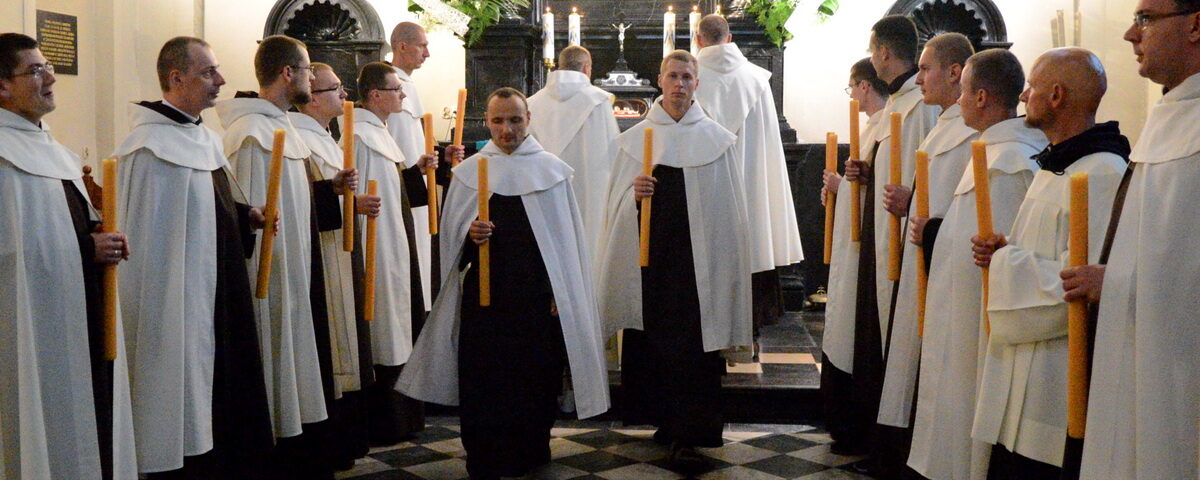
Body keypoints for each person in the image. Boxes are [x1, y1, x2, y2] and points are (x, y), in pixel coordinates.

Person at [398, 87, 609, 480]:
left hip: (535, 297)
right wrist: (469, 234)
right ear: (487, 122)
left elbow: (565, 242)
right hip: (485, 297)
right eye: (498, 121)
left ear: (528, 119)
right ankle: (483, 452)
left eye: (514, 120)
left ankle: (531, 448)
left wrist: (559, 292)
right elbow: (450, 242)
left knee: (534, 377)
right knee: (484, 377)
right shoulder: (470, 172)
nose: (507, 129)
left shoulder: (551, 171)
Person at [114, 36, 275, 479]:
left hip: (219, 289)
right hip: (176, 298)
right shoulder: (147, 147)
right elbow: (149, 240)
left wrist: (246, 217)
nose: (220, 80)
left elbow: (210, 208)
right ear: (176, 78)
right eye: (208, 72)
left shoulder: (204, 138)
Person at [968, 47, 1127, 480]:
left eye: (1032, 87)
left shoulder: (1102, 171)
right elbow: (1044, 253)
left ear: (1056, 95)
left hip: (1055, 376)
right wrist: (1004, 250)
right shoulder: (1058, 163)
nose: (1023, 96)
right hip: (1024, 363)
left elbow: (1078, 283)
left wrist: (1005, 263)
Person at [597, 50, 752, 470]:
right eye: (673, 76)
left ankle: (692, 429)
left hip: (700, 268)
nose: (679, 84)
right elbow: (614, 207)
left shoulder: (717, 140)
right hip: (652, 265)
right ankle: (666, 422)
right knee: (656, 344)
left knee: (693, 348)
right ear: (660, 80)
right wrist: (634, 196)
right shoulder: (635, 141)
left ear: (696, 84)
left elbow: (730, 213)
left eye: (687, 77)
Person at [215, 34, 355, 479]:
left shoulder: (281, 126)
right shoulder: (251, 135)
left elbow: (291, 201)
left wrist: (327, 191)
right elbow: (251, 211)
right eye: (308, 69)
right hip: (272, 279)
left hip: (298, 270)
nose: (312, 78)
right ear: (287, 73)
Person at [0, 31, 138, 480]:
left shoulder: (52, 151)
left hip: (77, 310)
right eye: (36, 70)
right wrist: (85, 248)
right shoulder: (4, 158)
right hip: (32, 323)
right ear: (3, 86)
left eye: (49, 67)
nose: (50, 78)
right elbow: (12, 252)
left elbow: (61, 226)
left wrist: (100, 237)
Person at [1072, 1, 1200, 477]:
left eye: (1145, 19)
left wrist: (1120, 282)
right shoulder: (1173, 113)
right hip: (1141, 349)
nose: (1130, 33)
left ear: (1195, 25)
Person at [913, 48, 1047, 480]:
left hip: (978, 321)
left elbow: (999, 249)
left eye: (964, 91)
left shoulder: (1009, 161)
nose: (960, 100)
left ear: (982, 97)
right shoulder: (993, 151)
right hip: (958, 309)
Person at [873, 32, 978, 478]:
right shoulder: (945, 124)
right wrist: (911, 200)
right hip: (924, 257)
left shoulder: (972, 131)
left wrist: (925, 215)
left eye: (925, 69)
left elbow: (968, 205)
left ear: (955, 73)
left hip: (945, 267)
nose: (917, 78)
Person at [839, 14, 940, 460]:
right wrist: (866, 170)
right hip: (878, 235)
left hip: (900, 239)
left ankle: (886, 443)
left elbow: (930, 173)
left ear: (882, 52)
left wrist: (912, 198)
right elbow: (890, 164)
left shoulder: (921, 105)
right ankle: (870, 435)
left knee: (891, 333)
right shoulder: (898, 103)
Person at [349, 61, 448, 445]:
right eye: (396, 89)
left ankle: (405, 417)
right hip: (377, 247)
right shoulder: (359, 136)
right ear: (376, 95)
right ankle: (386, 421)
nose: (403, 95)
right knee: (385, 329)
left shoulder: (378, 132)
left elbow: (392, 190)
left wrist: (415, 171)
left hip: (393, 241)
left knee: (399, 325)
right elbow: (356, 196)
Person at [289, 62, 382, 465]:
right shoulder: (299, 139)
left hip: (341, 253)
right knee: (335, 344)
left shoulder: (326, 137)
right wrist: (346, 202)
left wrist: (351, 203)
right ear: (312, 97)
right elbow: (303, 200)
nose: (345, 96)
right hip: (324, 257)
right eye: (335, 89)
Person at [694, 14, 804, 330]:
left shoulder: (689, 78)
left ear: (699, 39)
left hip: (708, 191)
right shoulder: (756, 78)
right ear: (729, 39)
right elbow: (766, 144)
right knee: (752, 237)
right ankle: (751, 327)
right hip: (751, 188)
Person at [820, 57, 889, 455]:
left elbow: (874, 189)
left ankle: (853, 423)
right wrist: (840, 188)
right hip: (856, 246)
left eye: (852, 88)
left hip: (867, 248)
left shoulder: (887, 125)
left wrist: (841, 186)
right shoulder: (874, 127)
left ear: (864, 86)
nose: (853, 96)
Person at [527, 45, 618, 260]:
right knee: (589, 245)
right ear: (586, 69)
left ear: (559, 67)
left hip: (544, 188)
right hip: (589, 192)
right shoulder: (598, 101)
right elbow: (612, 156)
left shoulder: (531, 103)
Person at [386, 21, 435, 311]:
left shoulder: (406, 84)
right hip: (406, 187)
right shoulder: (392, 86)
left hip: (417, 183)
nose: (427, 54)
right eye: (422, 46)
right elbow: (399, 145)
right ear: (402, 46)